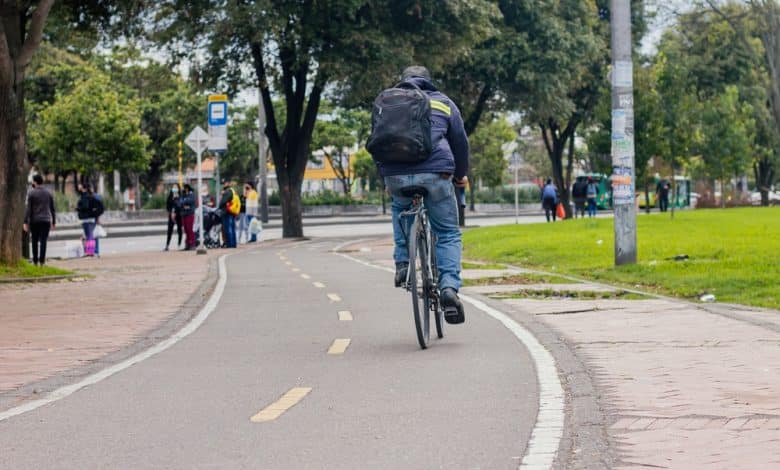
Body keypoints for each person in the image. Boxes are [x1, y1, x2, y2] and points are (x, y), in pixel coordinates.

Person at [374, 65, 470, 325]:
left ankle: (403, 264)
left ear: (402, 82)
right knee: (448, 232)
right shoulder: (444, 103)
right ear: (429, 82)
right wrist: (461, 174)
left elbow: (378, 141)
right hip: (436, 173)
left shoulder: (386, 102)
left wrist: (386, 176)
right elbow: (460, 142)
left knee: (399, 207)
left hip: (395, 174)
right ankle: (449, 288)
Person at [23, 174, 56, 266]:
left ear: (35, 182)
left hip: (35, 221)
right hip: (45, 220)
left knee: (34, 241)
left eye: (33, 181)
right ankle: (42, 262)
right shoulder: (48, 193)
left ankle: (35, 261)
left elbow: (28, 209)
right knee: (43, 241)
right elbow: (52, 209)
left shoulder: (31, 193)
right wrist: (53, 222)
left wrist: (25, 221)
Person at [76, 183, 104, 257]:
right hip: (91, 218)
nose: (79, 187)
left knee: (90, 236)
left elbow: (85, 206)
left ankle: (90, 252)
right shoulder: (91, 196)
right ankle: (91, 251)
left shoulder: (86, 196)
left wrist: (78, 208)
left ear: (84, 188)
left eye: (80, 186)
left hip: (88, 218)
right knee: (90, 235)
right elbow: (99, 207)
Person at [218, 180, 238, 248]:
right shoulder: (233, 191)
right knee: (232, 228)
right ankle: (233, 243)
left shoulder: (227, 191)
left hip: (227, 212)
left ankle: (230, 244)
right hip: (232, 211)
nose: (223, 184)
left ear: (228, 183)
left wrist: (219, 206)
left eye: (224, 183)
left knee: (228, 228)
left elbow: (223, 202)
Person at [164, 184, 183, 251]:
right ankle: (167, 245)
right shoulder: (170, 196)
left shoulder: (180, 196)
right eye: (173, 187)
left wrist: (176, 199)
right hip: (171, 215)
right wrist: (171, 212)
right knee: (169, 230)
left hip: (179, 215)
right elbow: (167, 206)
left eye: (176, 187)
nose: (174, 188)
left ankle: (179, 244)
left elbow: (180, 205)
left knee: (179, 230)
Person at [180, 183, 197, 250]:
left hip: (190, 213)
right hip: (184, 213)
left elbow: (190, 201)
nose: (185, 189)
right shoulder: (183, 195)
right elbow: (180, 202)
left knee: (190, 229)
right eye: (184, 187)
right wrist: (184, 203)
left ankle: (192, 244)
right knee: (186, 230)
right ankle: (187, 244)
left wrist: (184, 202)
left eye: (186, 187)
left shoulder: (191, 194)